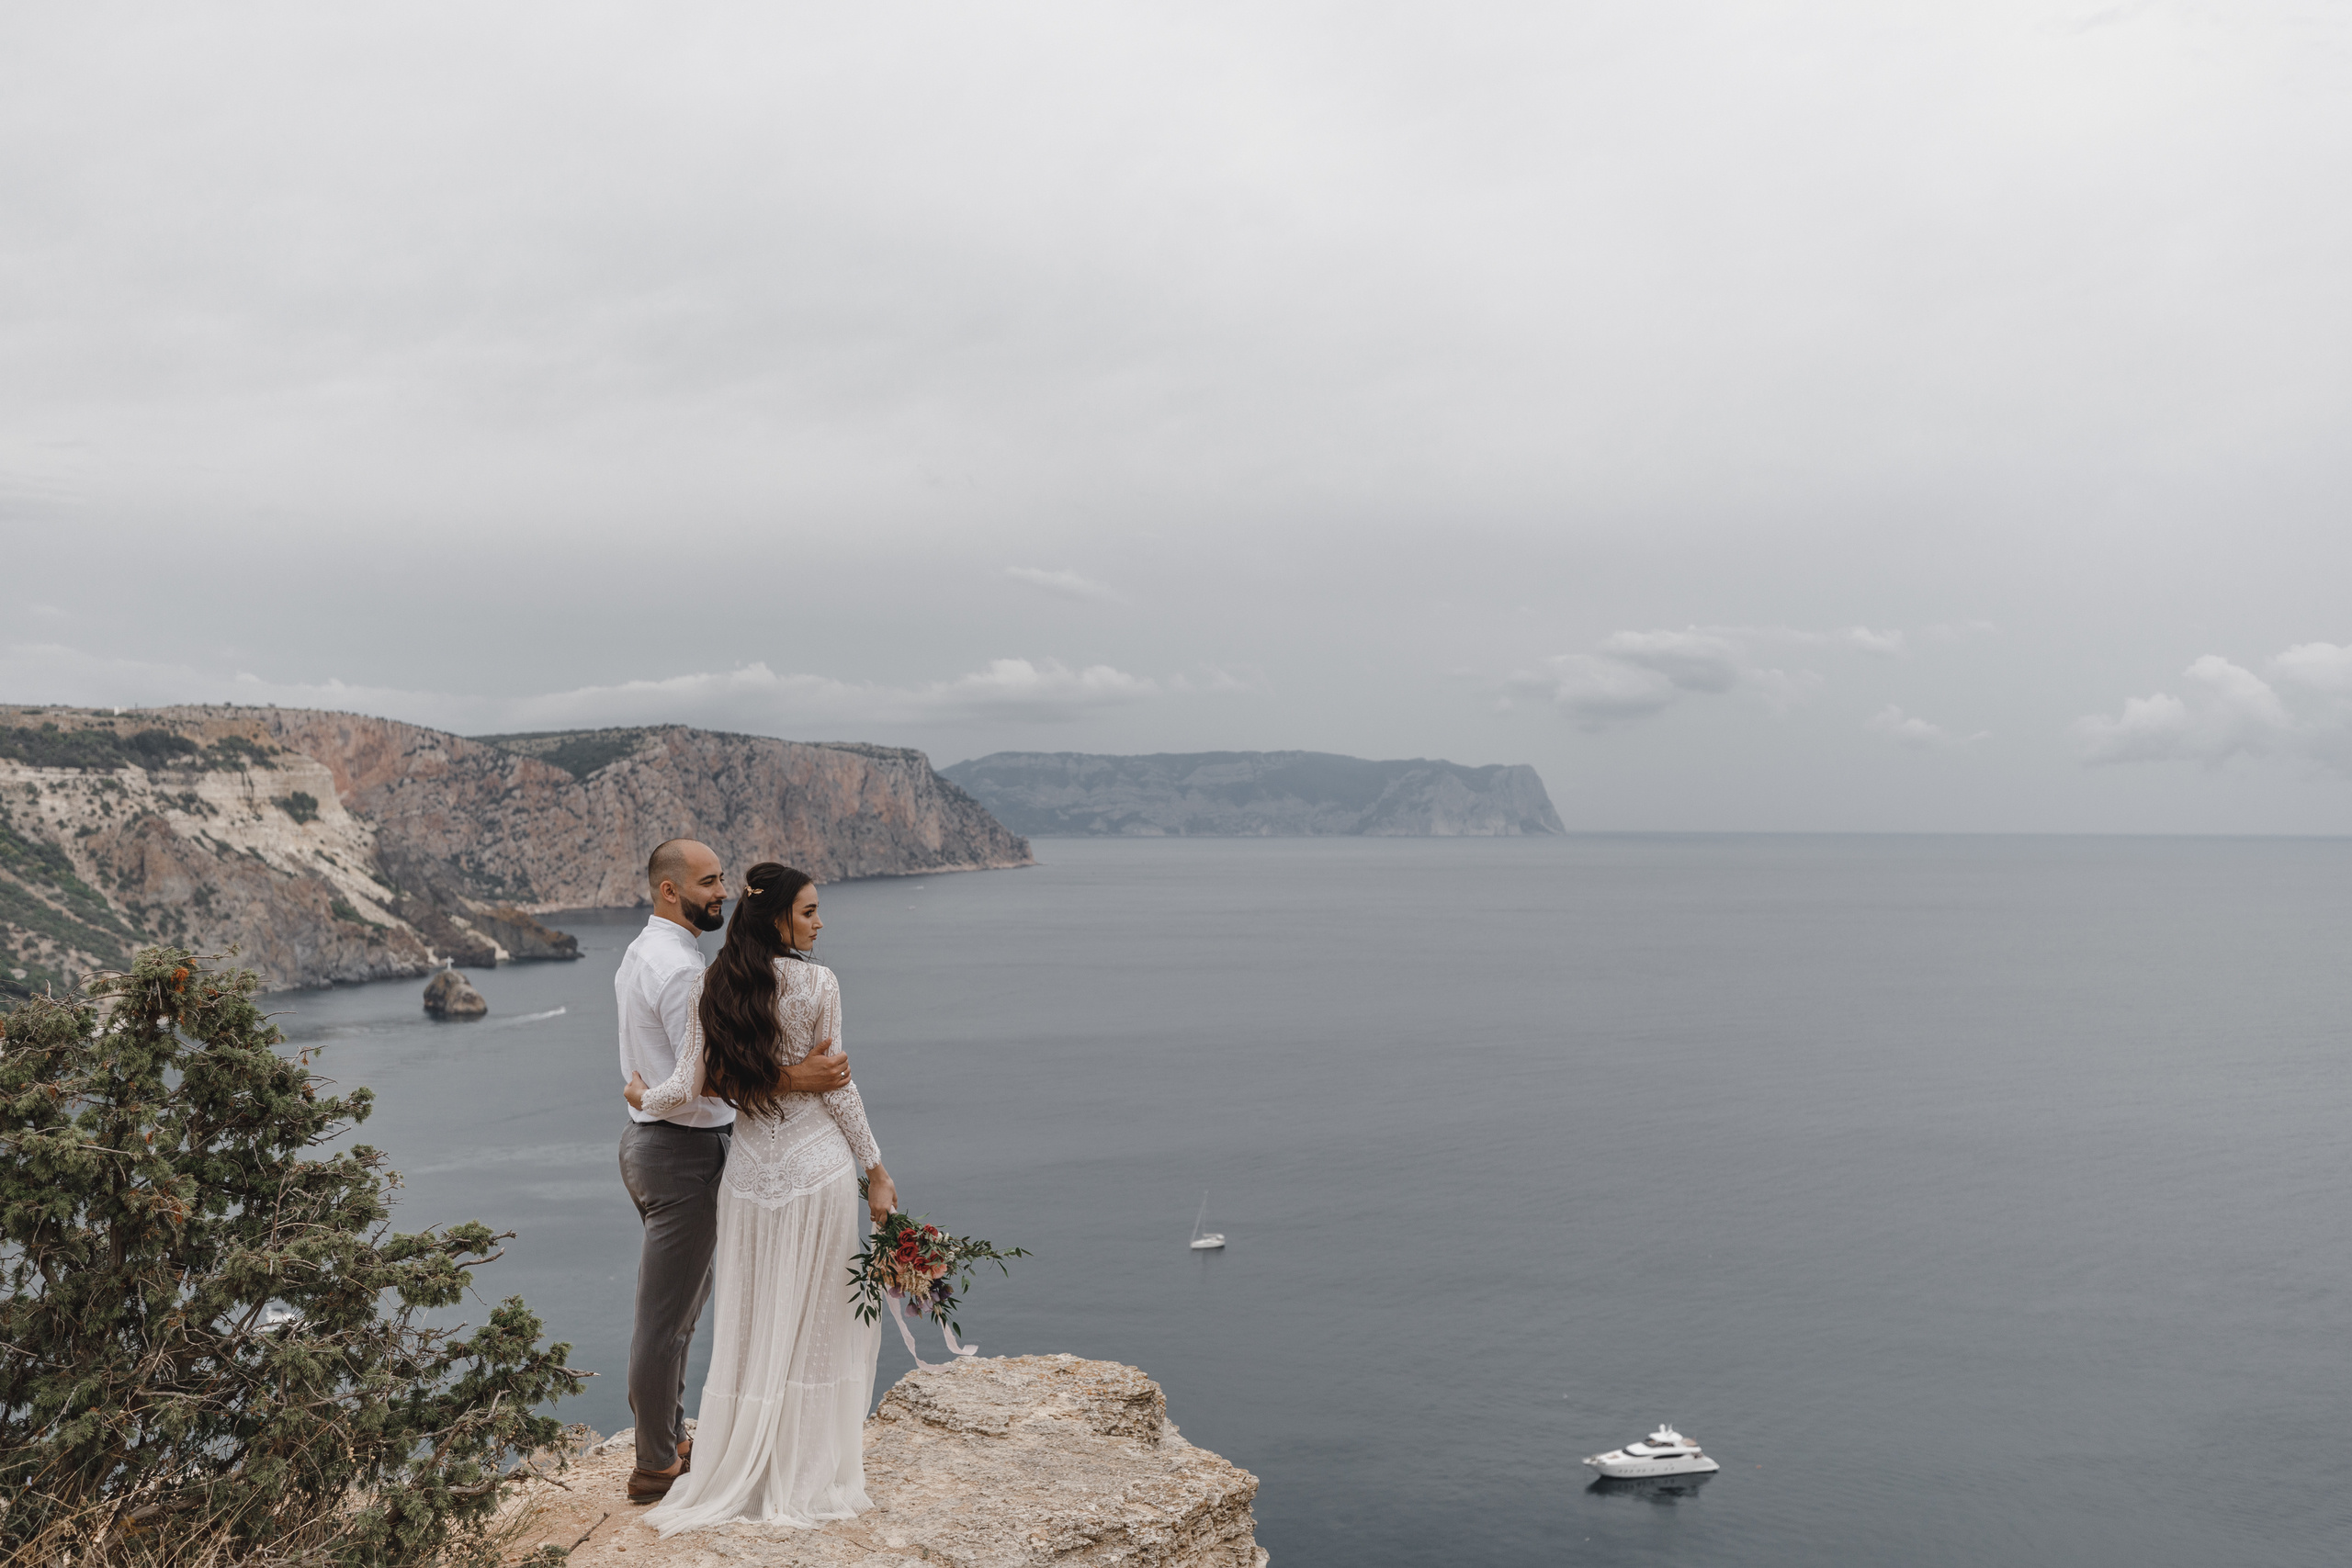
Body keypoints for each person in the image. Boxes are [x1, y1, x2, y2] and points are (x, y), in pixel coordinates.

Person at [626, 862, 896, 1534]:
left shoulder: (715, 983)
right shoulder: (818, 983)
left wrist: (639, 1096)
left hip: (747, 1178)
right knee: (815, 1323)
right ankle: (801, 1467)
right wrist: (877, 1172)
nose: (819, 922)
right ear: (779, 918)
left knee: (748, 1321)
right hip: (816, 1171)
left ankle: (738, 1454)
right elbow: (839, 1085)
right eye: (809, 911)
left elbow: (686, 1085)